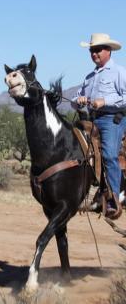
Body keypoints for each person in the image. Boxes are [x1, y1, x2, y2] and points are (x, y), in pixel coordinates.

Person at [73, 33, 126, 217]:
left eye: (97, 50)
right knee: (75, 151)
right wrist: (78, 101)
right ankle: (79, 194)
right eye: (91, 50)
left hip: (112, 119)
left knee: (110, 155)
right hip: (91, 120)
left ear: (108, 51)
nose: (94, 53)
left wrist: (105, 101)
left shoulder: (119, 72)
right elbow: (75, 98)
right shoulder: (89, 77)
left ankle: (113, 199)